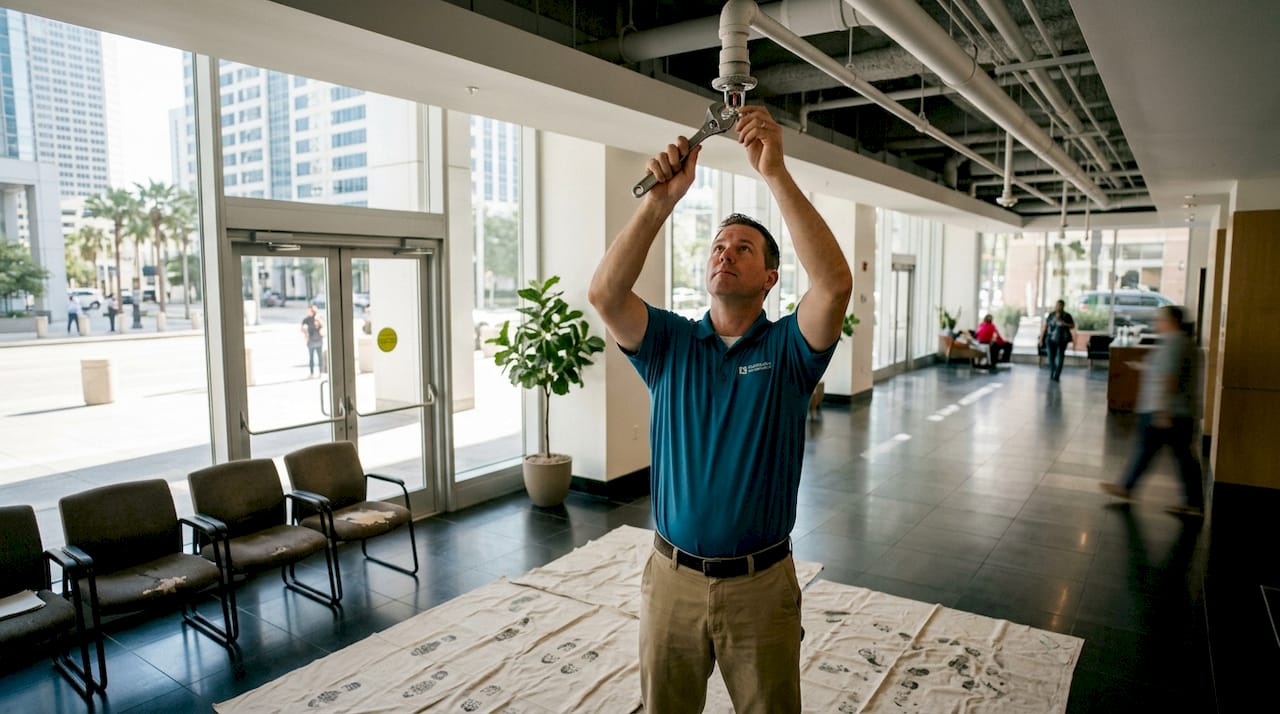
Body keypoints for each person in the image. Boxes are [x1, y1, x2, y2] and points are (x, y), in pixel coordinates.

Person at [588, 105, 852, 713]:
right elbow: (605, 294)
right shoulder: (669, 343)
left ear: (770, 278)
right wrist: (660, 200)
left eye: (743, 248)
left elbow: (835, 285)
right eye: (718, 246)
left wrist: (776, 174)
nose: (725, 254)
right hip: (671, 581)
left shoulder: (789, 350)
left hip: (761, 587)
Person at [1100, 305, 1204, 517]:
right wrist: (1144, 367)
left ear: (1171, 321)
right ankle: (1129, 487)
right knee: (1159, 452)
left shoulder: (1174, 344)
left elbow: (1170, 379)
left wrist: (1162, 411)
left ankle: (1192, 503)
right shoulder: (1184, 343)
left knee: (1171, 454)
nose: (1157, 323)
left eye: (1160, 319)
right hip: (1177, 411)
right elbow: (1168, 372)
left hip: (1167, 411)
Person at [1038, 299, 1075, 381]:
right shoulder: (1051, 315)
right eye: (1057, 305)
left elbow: (1072, 326)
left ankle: (1057, 374)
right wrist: (1041, 339)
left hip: (1062, 340)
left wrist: (1063, 323)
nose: (1057, 307)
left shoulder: (1067, 316)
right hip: (1050, 339)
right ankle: (1052, 372)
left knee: (1060, 358)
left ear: (1063, 306)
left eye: (1059, 305)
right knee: (1051, 357)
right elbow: (1045, 327)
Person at [300, 304, 325, 377]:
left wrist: (320, 324)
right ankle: (312, 373)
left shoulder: (319, 318)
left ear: (313, 311)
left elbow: (324, 326)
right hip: (310, 341)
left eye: (309, 310)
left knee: (320, 357)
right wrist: (305, 333)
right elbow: (302, 328)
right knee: (311, 358)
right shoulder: (306, 319)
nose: (308, 312)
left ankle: (320, 372)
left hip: (318, 340)